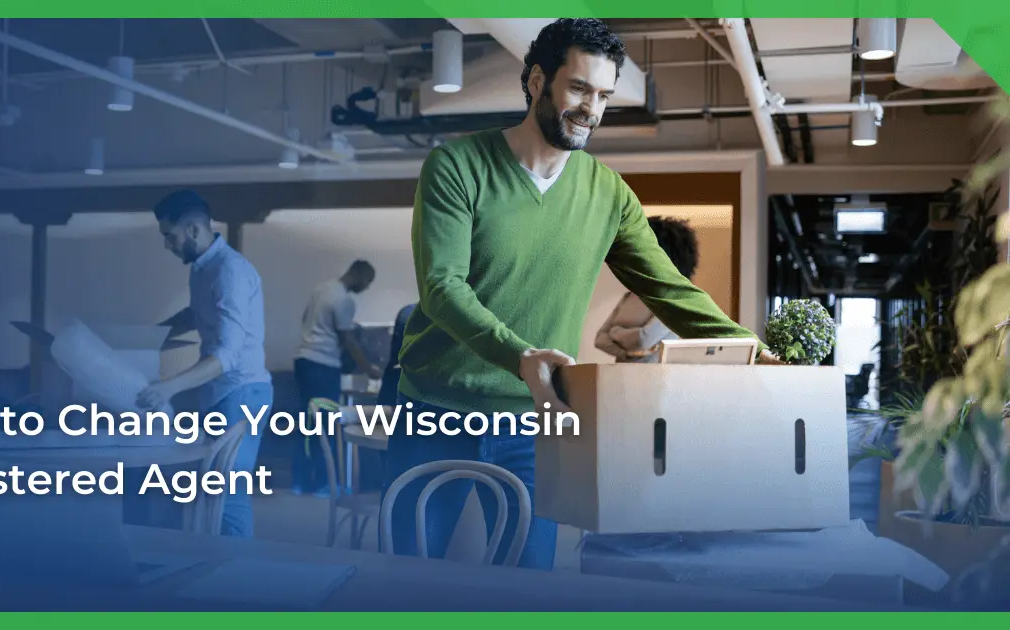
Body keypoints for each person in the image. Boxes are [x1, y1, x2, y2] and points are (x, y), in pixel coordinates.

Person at [389, 18, 783, 570]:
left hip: (536, 419)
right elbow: (441, 287)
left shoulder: (608, 194)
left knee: (530, 581)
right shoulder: (458, 166)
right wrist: (519, 356)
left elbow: (667, 288)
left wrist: (744, 345)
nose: (590, 109)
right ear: (535, 81)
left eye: (603, 95)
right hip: (435, 407)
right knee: (407, 575)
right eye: (578, 88)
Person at [137, 189, 273, 538]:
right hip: (219, 392)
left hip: (243, 391)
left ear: (194, 229)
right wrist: (149, 336)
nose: (166, 245)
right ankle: (217, 570)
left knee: (228, 496)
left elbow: (227, 355)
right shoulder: (202, 269)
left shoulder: (230, 271)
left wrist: (167, 387)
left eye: (170, 236)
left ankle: (238, 580)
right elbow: (197, 314)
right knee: (213, 490)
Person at [290, 260, 382, 496]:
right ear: (358, 274)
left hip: (303, 360)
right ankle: (323, 484)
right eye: (368, 281)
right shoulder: (345, 300)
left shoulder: (321, 289)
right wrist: (368, 368)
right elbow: (347, 340)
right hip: (323, 365)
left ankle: (299, 483)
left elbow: (304, 319)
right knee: (327, 425)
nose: (367, 287)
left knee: (307, 424)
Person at [595, 216, 699, 363]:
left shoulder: (674, 300)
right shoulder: (630, 296)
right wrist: (627, 351)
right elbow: (600, 340)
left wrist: (615, 332)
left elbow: (644, 339)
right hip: (620, 376)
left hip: (654, 379)